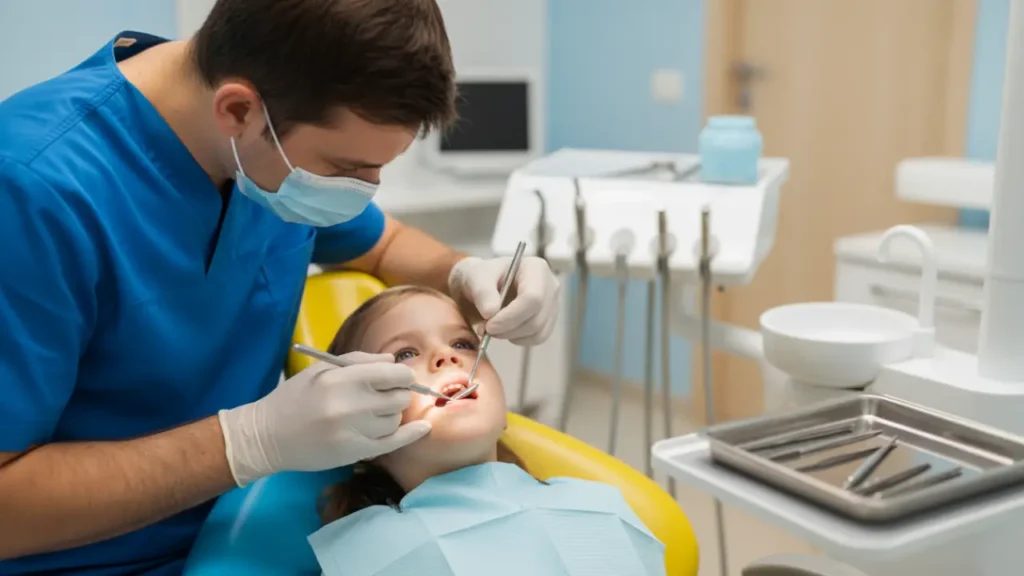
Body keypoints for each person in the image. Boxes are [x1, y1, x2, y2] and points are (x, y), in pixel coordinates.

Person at [0, 1, 560, 574]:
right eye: (346, 169)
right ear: (238, 110)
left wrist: (465, 273)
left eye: (379, 169)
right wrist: (247, 442)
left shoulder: (267, 159)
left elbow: (384, 245)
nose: (364, 191)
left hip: (253, 524)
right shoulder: (30, 187)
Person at [308, 286, 665, 576]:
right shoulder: (372, 553)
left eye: (462, 343)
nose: (446, 357)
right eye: (404, 354)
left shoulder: (600, 507)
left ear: (503, 408)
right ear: (360, 433)